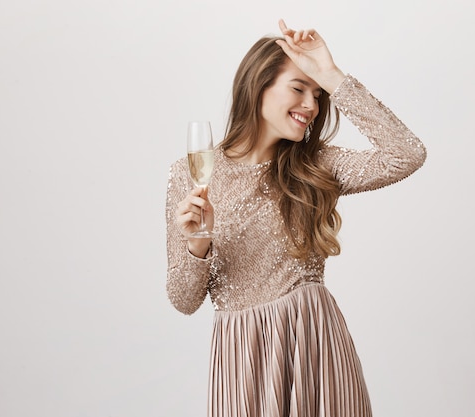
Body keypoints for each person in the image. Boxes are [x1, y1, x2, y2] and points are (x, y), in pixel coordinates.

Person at [165, 19, 426, 417]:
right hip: (243, 355)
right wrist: (198, 242)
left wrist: (333, 75)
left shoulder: (315, 164)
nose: (311, 105)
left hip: (313, 340)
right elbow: (184, 301)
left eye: (318, 94)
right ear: (258, 86)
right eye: (299, 87)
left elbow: (406, 154)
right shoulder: (190, 173)